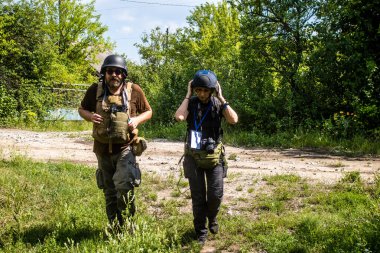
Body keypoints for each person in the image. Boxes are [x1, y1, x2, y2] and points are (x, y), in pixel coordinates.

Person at [78, 54, 152, 231]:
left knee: (125, 186)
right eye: (110, 71)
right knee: (109, 190)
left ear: (123, 74)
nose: (115, 75)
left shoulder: (133, 90)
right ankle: (114, 226)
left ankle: (128, 226)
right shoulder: (95, 90)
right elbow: (81, 109)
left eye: (118, 72)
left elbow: (149, 111)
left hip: (125, 148)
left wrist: (136, 120)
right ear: (105, 73)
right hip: (102, 149)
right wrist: (89, 116)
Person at [174, 70, 238, 244]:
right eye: (198, 90)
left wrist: (222, 97)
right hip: (193, 156)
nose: (202, 94)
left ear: (212, 90)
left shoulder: (218, 103)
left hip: (214, 156)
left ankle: (213, 217)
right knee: (198, 196)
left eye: (205, 90)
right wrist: (188, 94)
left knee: (216, 194)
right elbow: (179, 117)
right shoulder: (192, 103)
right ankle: (201, 231)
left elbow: (233, 120)